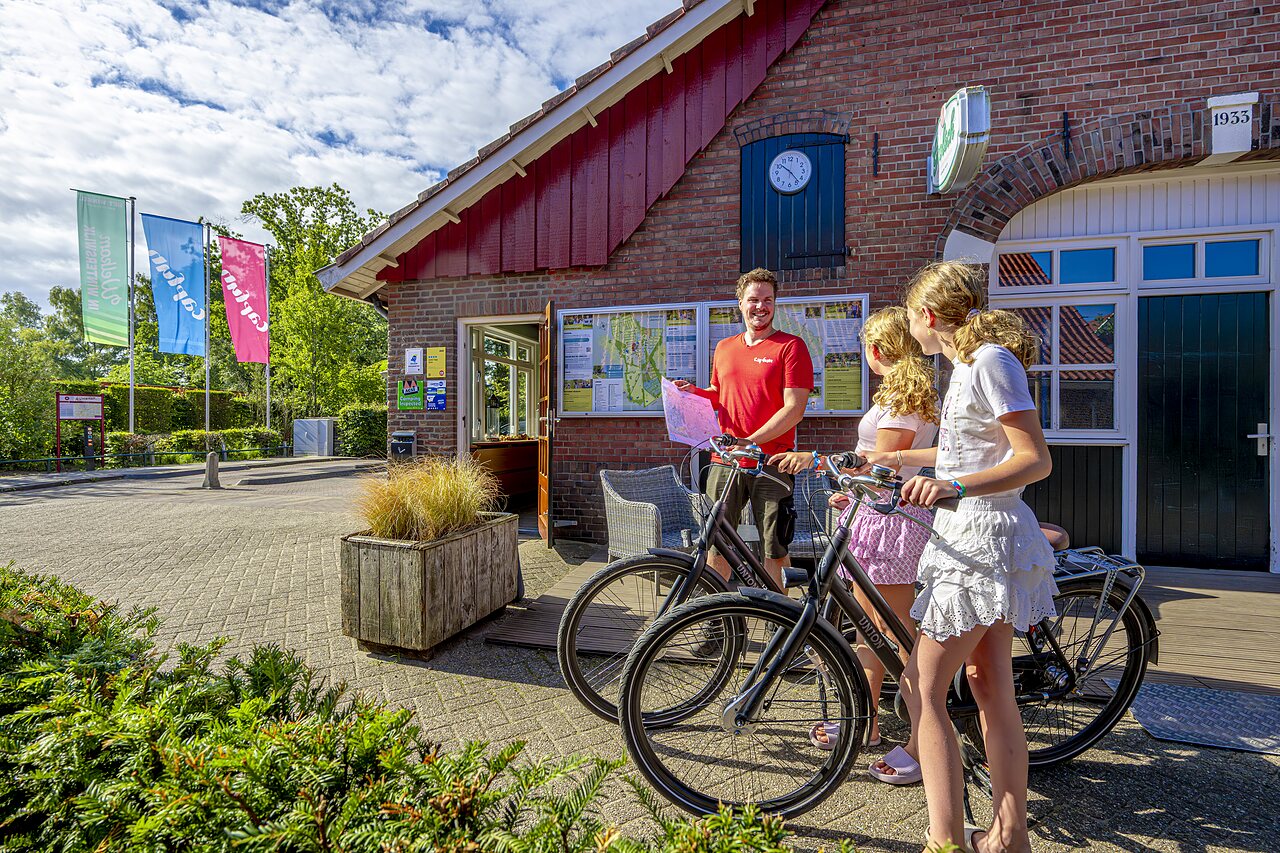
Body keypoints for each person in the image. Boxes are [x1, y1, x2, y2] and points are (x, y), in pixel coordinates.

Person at [863, 261, 1056, 853]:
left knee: (925, 689)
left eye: (911, 316)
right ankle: (1007, 839)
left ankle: (943, 839)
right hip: (970, 534)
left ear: (927, 316)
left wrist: (958, 488)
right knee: (989, 685)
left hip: (978, 537)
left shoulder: (989, 361)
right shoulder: (969, 365)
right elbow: (963, 453)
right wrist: (902, 463)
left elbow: (1035, 459)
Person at [769, 306, 938, 754]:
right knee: (874, 627)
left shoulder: (901, 400)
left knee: (891, 629)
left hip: (890, 522)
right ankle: (868, 720)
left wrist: (819, 461)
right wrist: (846, 482)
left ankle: (915, 733)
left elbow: (881, 462)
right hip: (877, 516)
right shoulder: (903, 393)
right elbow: (870, 462)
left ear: (877, 349)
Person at [673, 267, 813, 588]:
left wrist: (750, 440)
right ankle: (717, 624)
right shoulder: (724, 348)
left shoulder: (790, 348)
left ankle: (780, 621)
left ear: (775, 304)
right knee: (718, 544)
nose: (760, 307)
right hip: (726, 461)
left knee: (774, 548)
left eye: (767, 300)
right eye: (753, 299)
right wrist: (692, 393)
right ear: (740, 302)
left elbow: (794, 410)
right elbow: (718, 395)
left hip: (772, 463)